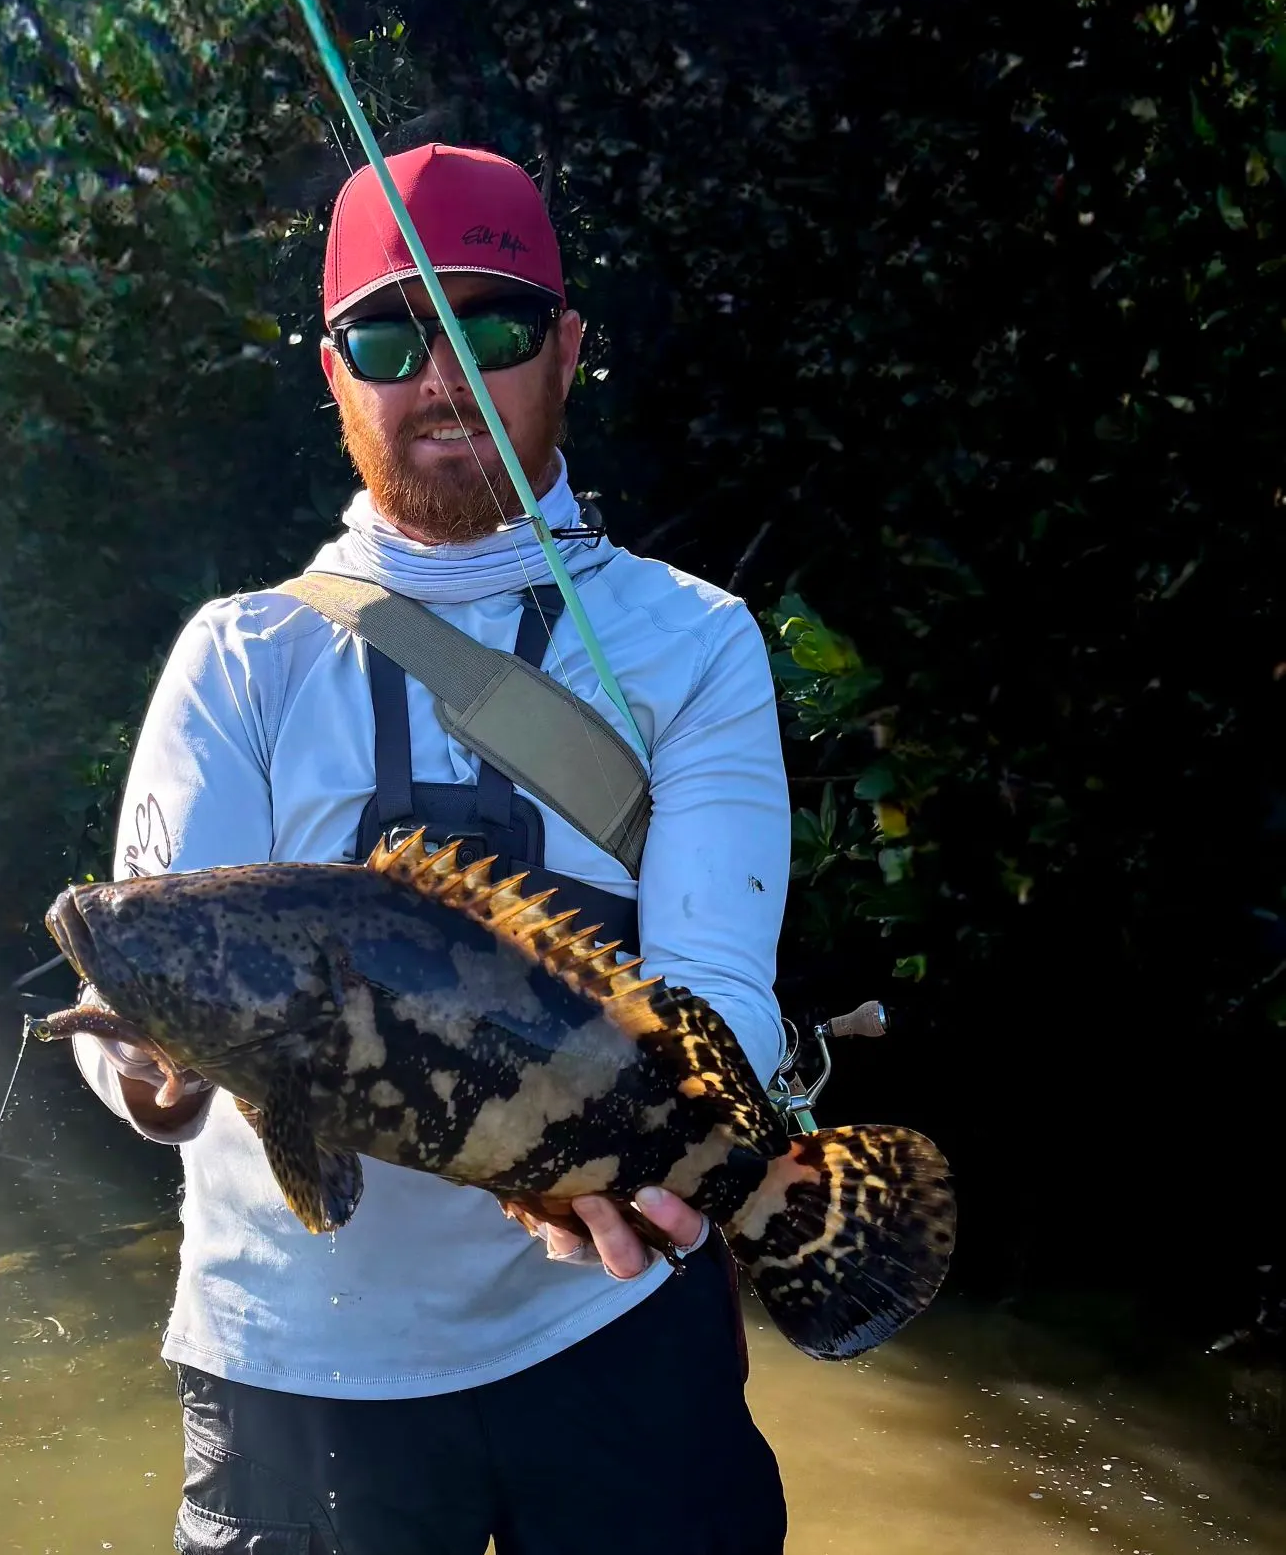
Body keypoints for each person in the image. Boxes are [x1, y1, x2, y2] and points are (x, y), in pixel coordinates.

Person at [70, 142, 794, 1555]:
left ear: (567, 349)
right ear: (334, 370)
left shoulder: (692, 640)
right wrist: (144, 1073)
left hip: (615, 1323)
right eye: (390, 334)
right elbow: (155, 997)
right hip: (292, 1363)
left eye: (493, 326)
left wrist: (675, 1180)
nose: (440, 376)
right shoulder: (241, 655)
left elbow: (720, 979)